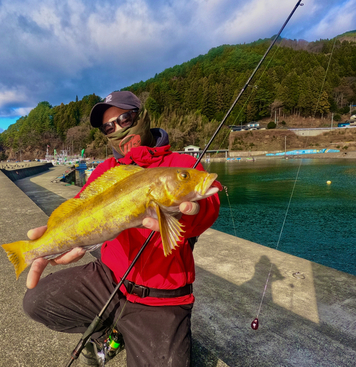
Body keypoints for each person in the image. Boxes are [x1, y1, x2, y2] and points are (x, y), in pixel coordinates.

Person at [23, 91, 221, 367]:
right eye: (108, 126)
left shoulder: (183, 166)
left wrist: (186, 213)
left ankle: (125, 329)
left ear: (141, 116)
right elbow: (81, 208)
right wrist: (60, 233)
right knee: (36, 302)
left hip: (161, 297)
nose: (117, 129)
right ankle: (111, 331)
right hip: (109, 279)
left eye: (124, 118)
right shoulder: (104, 170)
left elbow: (209, 205)